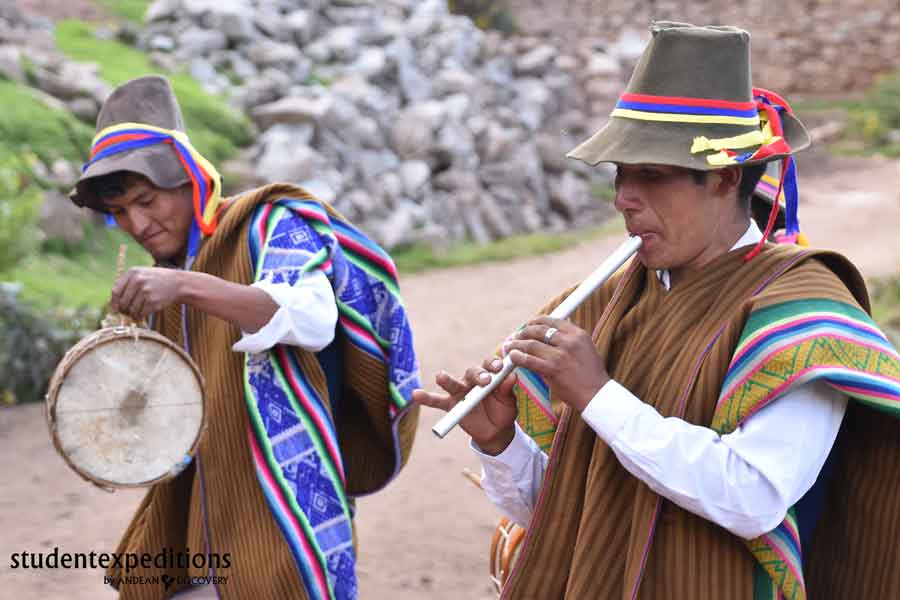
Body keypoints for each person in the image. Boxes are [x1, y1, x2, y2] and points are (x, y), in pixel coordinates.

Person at [414, 22, 900, 599]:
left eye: (652, 176)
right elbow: (566, 511)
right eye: (621, 174)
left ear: (721, 180)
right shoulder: (605, 303)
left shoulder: (801, 310)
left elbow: (754, 496)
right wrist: (501, 443)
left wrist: (597, 395)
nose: (623, 198)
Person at [69, 75, 420, 600]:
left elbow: (311, 316)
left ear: (189, 176)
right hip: (194, 517)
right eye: (119, 213)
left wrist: (184, 286)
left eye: (146, 200)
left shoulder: (267, 221)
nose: (136, 223)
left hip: (284, 513)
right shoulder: (166, 272)